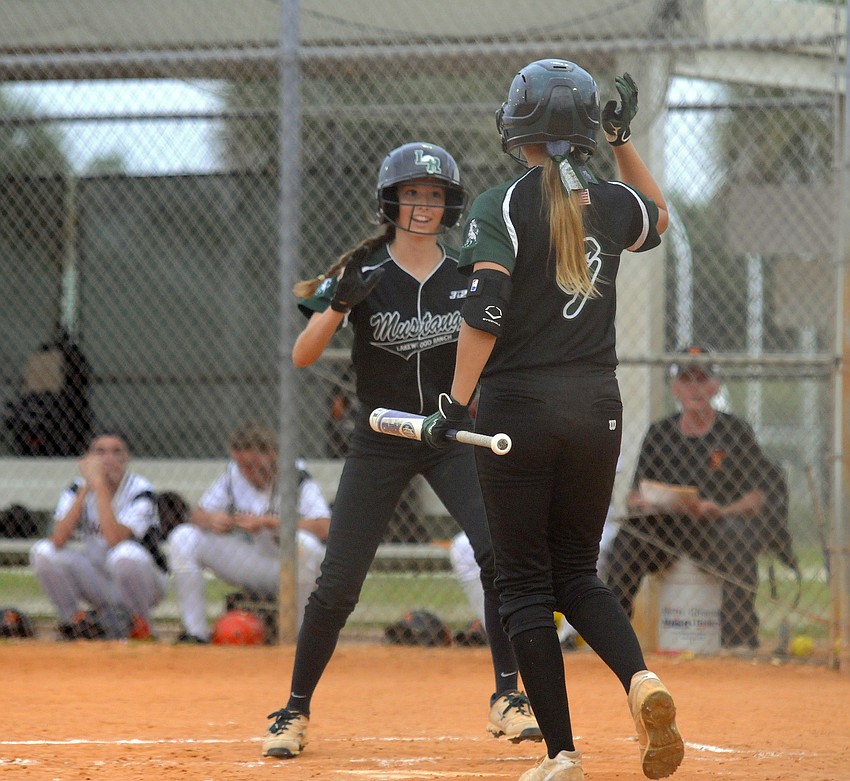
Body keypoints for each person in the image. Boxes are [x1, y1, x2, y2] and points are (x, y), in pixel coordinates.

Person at [421, 60, 684, 780]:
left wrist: (450, 405)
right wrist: (623, 140)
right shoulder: (609, 201)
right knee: (578, 571)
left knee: (525, 583)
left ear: (520, 129)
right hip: (599, 406)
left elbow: (485, 312)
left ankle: (562, 751)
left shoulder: (498, 206)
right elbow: (658, 216)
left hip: (519, 409)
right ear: (584, 132)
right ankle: (642, 682)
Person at [261, 141, 541, 760]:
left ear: (449, 206)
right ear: (391, 202)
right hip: (381, 439)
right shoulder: (361, 272)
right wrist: (339, 304)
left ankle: (506, 695)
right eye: (412, 194)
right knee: (338, 581)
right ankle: (294, 711)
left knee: (496, 554)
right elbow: (302, 355)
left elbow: (492, 344)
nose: (422, 205)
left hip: (447, 436)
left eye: (434, 196)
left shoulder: (468, 271)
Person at [607, 345, 776, 654]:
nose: (695, 387)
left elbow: (756, 497)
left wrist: (722, 510)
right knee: (628, 540)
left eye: (702, 379)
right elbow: (635, 494)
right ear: (675, 389)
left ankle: (738, 641)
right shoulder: (660, 433)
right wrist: (651, 502)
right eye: (687, 380)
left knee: (738, 536)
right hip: (667, 530)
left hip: (715, 530)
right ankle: (611, 638)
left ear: (716, 386)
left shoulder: (736, 431)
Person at [167, 422, 330, 643]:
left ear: (273, 454)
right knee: (184, 536)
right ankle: (195, 633)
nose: (248, 472)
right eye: (243, 464)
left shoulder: (296, 476)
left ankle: (299, 637)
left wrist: (270, 523)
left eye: (254, 465)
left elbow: (324, 526)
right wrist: (212, 520)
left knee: (306, 544)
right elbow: (197, 514)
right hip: (255, 563)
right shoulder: (234, 475)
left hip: (294, 569)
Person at [30, 429, 167, 639]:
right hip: (98, 580)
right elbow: (57, 539)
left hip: (145, 583)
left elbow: (114, 540)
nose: (108, 458)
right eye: (100, 452)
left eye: (116, 452)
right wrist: (87, 488)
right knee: (42, 552)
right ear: (88, 459)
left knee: (125, 554)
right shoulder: (77, 487)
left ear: (126, 458)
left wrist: (100, 487)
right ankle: (73, 625)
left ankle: (142, 627)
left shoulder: (140, 490)